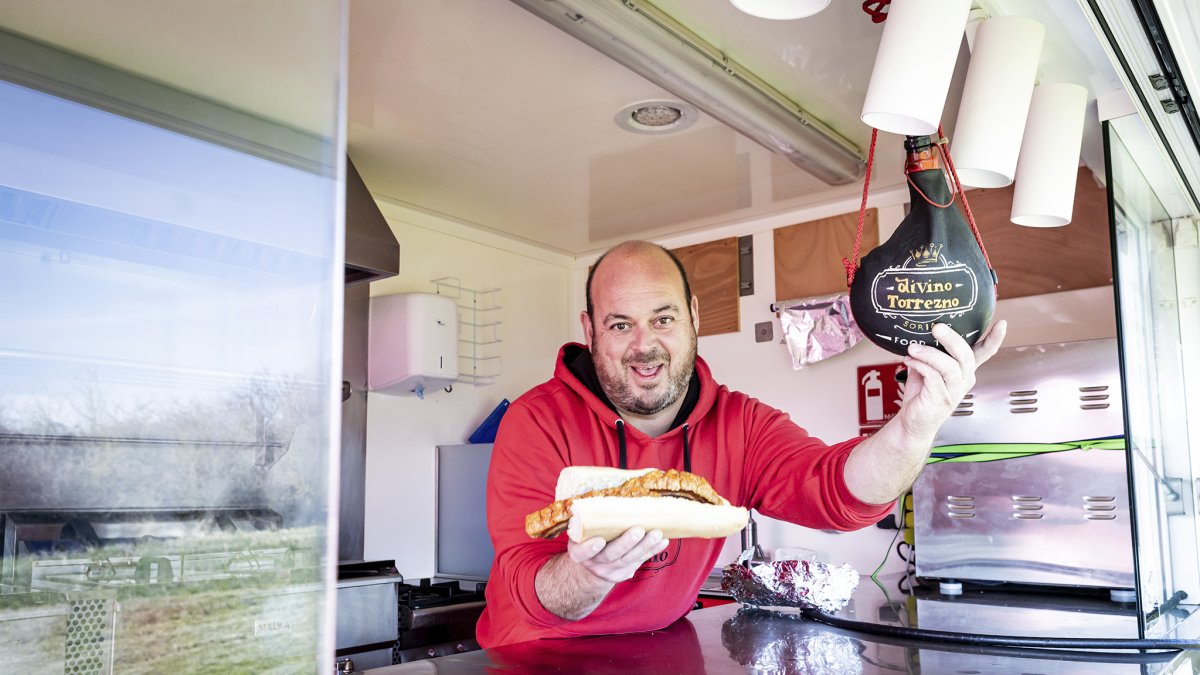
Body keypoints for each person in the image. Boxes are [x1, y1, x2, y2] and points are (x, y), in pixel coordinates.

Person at [476, 240, 1006, 648]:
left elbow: (842, 497)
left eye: (663, 318)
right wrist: (587, 573)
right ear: (591, 331)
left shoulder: (739, 425)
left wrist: (915, 424)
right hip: (535, 657)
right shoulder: (536, 421)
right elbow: (531, 589)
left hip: (659, 653)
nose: (644, 345)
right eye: (620, 325)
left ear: (694, 318)